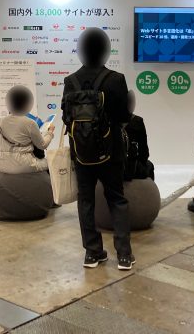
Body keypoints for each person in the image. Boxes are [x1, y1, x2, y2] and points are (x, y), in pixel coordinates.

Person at [62, 28, 133, 271]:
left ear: (80, 51)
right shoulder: (116, 79)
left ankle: (92, 253)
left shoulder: (70, 81)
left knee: (86, 200)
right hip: (111, 150)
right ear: (106, 51)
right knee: (117, 199)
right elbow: (124, 116)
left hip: (81, 152)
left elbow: (66, 118)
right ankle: (124, 255)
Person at [0, 85, 55, 174]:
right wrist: (50, 132)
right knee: (51, 162)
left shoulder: (1, 121)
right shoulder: (30, 123)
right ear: (27, 103)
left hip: (3, 164)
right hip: (24, 165)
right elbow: (42, 145)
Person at [124, 91, 154, 181]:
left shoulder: (111, 120)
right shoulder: (138, 121)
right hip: (131, 169)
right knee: (150, 166)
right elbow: (144, 151)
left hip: (112, 168)